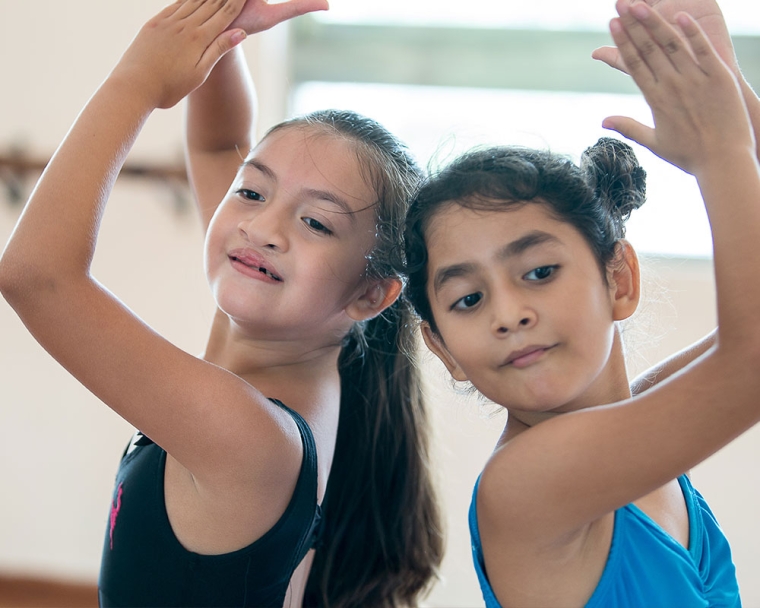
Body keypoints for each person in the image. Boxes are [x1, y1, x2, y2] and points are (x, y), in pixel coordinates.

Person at [0, 1, 442, 606]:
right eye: (253, 190)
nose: (263, 227)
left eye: (316, 222)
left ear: (372, 294)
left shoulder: (249, 431)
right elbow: (218, 144)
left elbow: (38, 277)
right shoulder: (282, 335)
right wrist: (227, 30)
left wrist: (138, 78)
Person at [403, 0, 760, 605]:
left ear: (617, 279)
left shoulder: (638, 422)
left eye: (539, 271)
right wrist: (721, 150)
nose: (508, 313)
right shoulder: (525, 485)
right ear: (442, 349)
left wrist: (740, 117)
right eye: (467, 299)